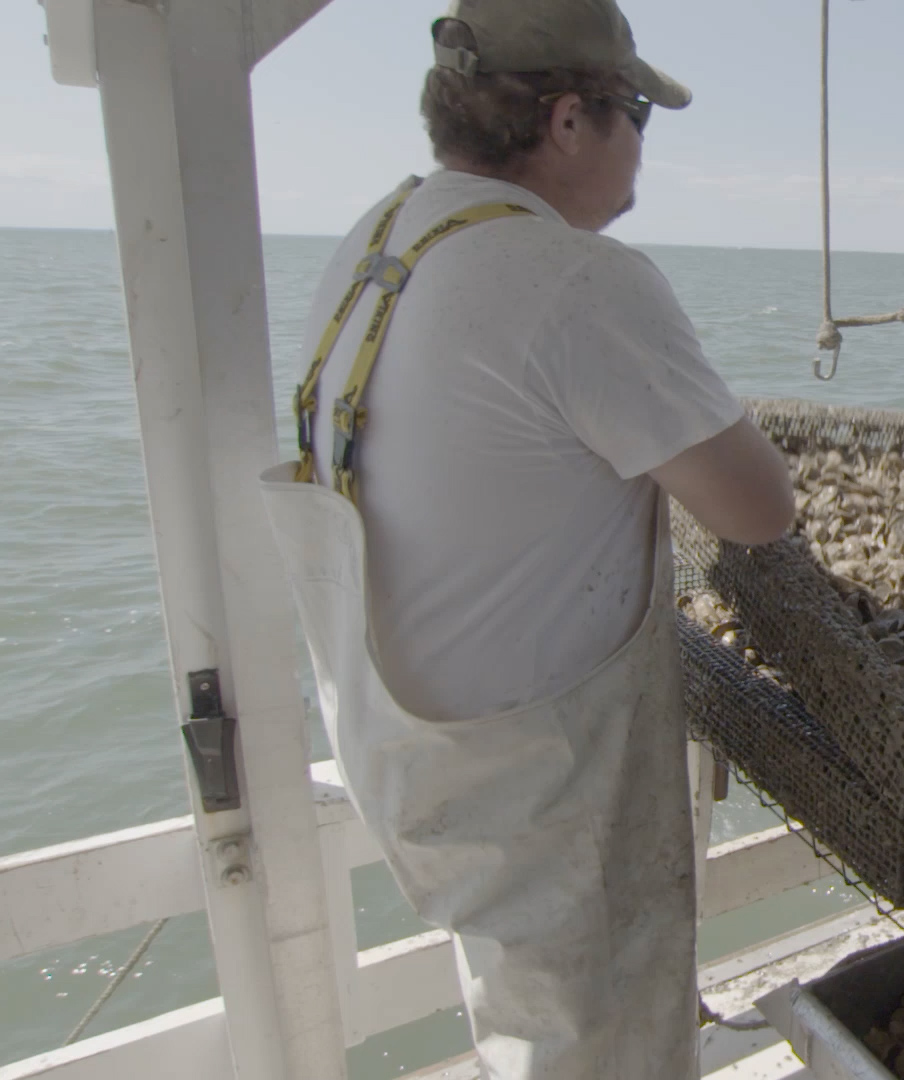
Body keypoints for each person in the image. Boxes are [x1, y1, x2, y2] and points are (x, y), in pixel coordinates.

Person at [256, 2, 795, 1077]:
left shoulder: (381, 241)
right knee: (595, 1047)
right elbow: (758, 510)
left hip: (416, 756)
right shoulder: (575, 279)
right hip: (544, 789)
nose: (644, 142)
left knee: (524, 1015)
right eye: (635, 111)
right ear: (565, 121)